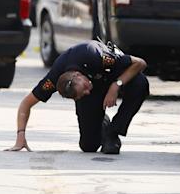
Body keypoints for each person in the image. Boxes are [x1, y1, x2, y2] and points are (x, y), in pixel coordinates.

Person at [8, 40, 148, 154]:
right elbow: (26, 104)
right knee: (89, 146)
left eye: (85, 88)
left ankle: (113, 131)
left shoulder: (95, 55)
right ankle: (102, 123)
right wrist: (20, 137)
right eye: (82, 95)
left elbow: (140, 63)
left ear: (78, 75)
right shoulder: (53, 79)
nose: (87, 92)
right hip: (97, 88)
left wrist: (116, 86)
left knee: (140, 84)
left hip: (114, 78)